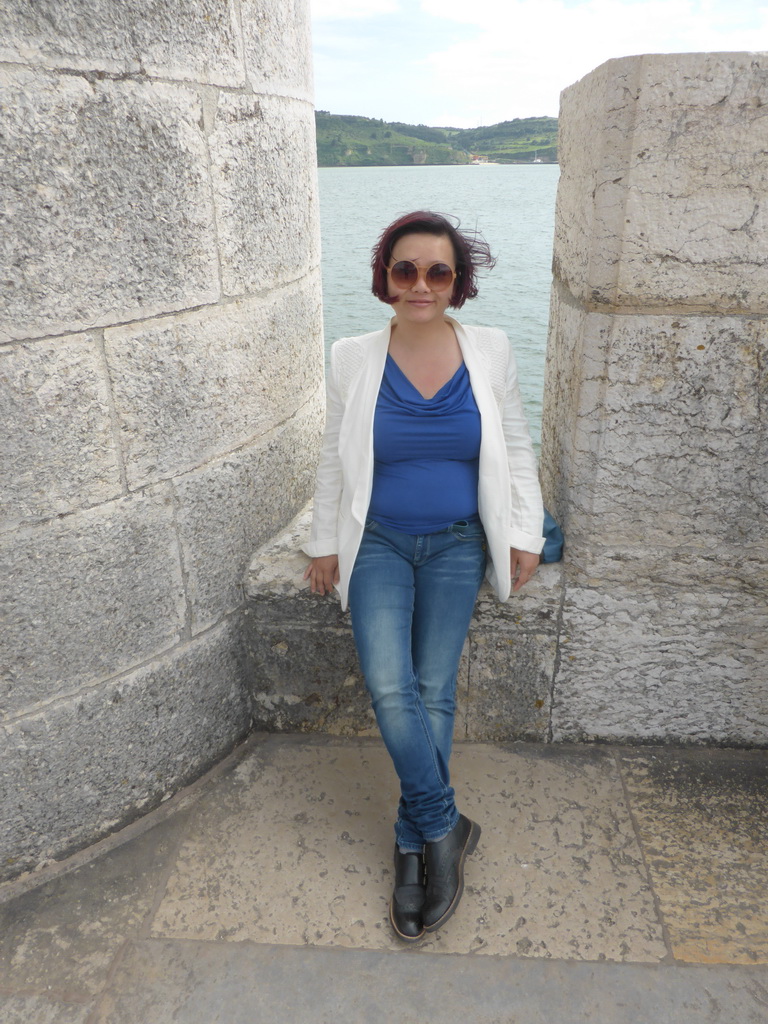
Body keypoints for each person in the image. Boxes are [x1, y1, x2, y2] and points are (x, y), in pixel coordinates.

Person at [303, 211, 544, 942]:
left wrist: (525, 533)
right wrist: (323, 543)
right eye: (405, 270)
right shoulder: (352, 356)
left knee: (434, 688)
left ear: (457, 282)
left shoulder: (491, 350)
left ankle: (413, 845)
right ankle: (443, 826)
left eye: (438, 272)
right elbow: (333, 458)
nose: (420, 285)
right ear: (385, 277)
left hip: (457, 544)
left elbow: (514, 442)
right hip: (377, 540)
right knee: (389, 685)